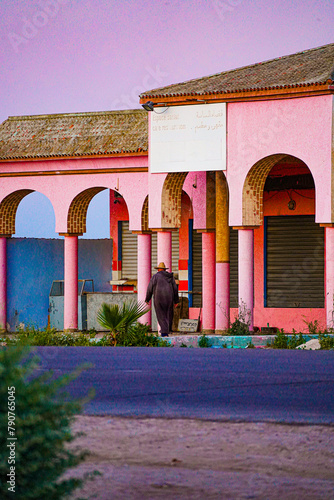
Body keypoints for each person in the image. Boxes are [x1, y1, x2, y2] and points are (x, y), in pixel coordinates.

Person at [145, 262, 179, 337]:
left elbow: (149, 288)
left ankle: (164, 333)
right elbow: (175, 289)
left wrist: (147, 299)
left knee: (161, 315)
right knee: (168, 314)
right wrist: (176, 301)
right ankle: (168, 330)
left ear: (158, 269)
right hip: (169, 298)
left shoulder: (155, 277)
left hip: (159, 298)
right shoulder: (170, 277)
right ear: (164, 269)